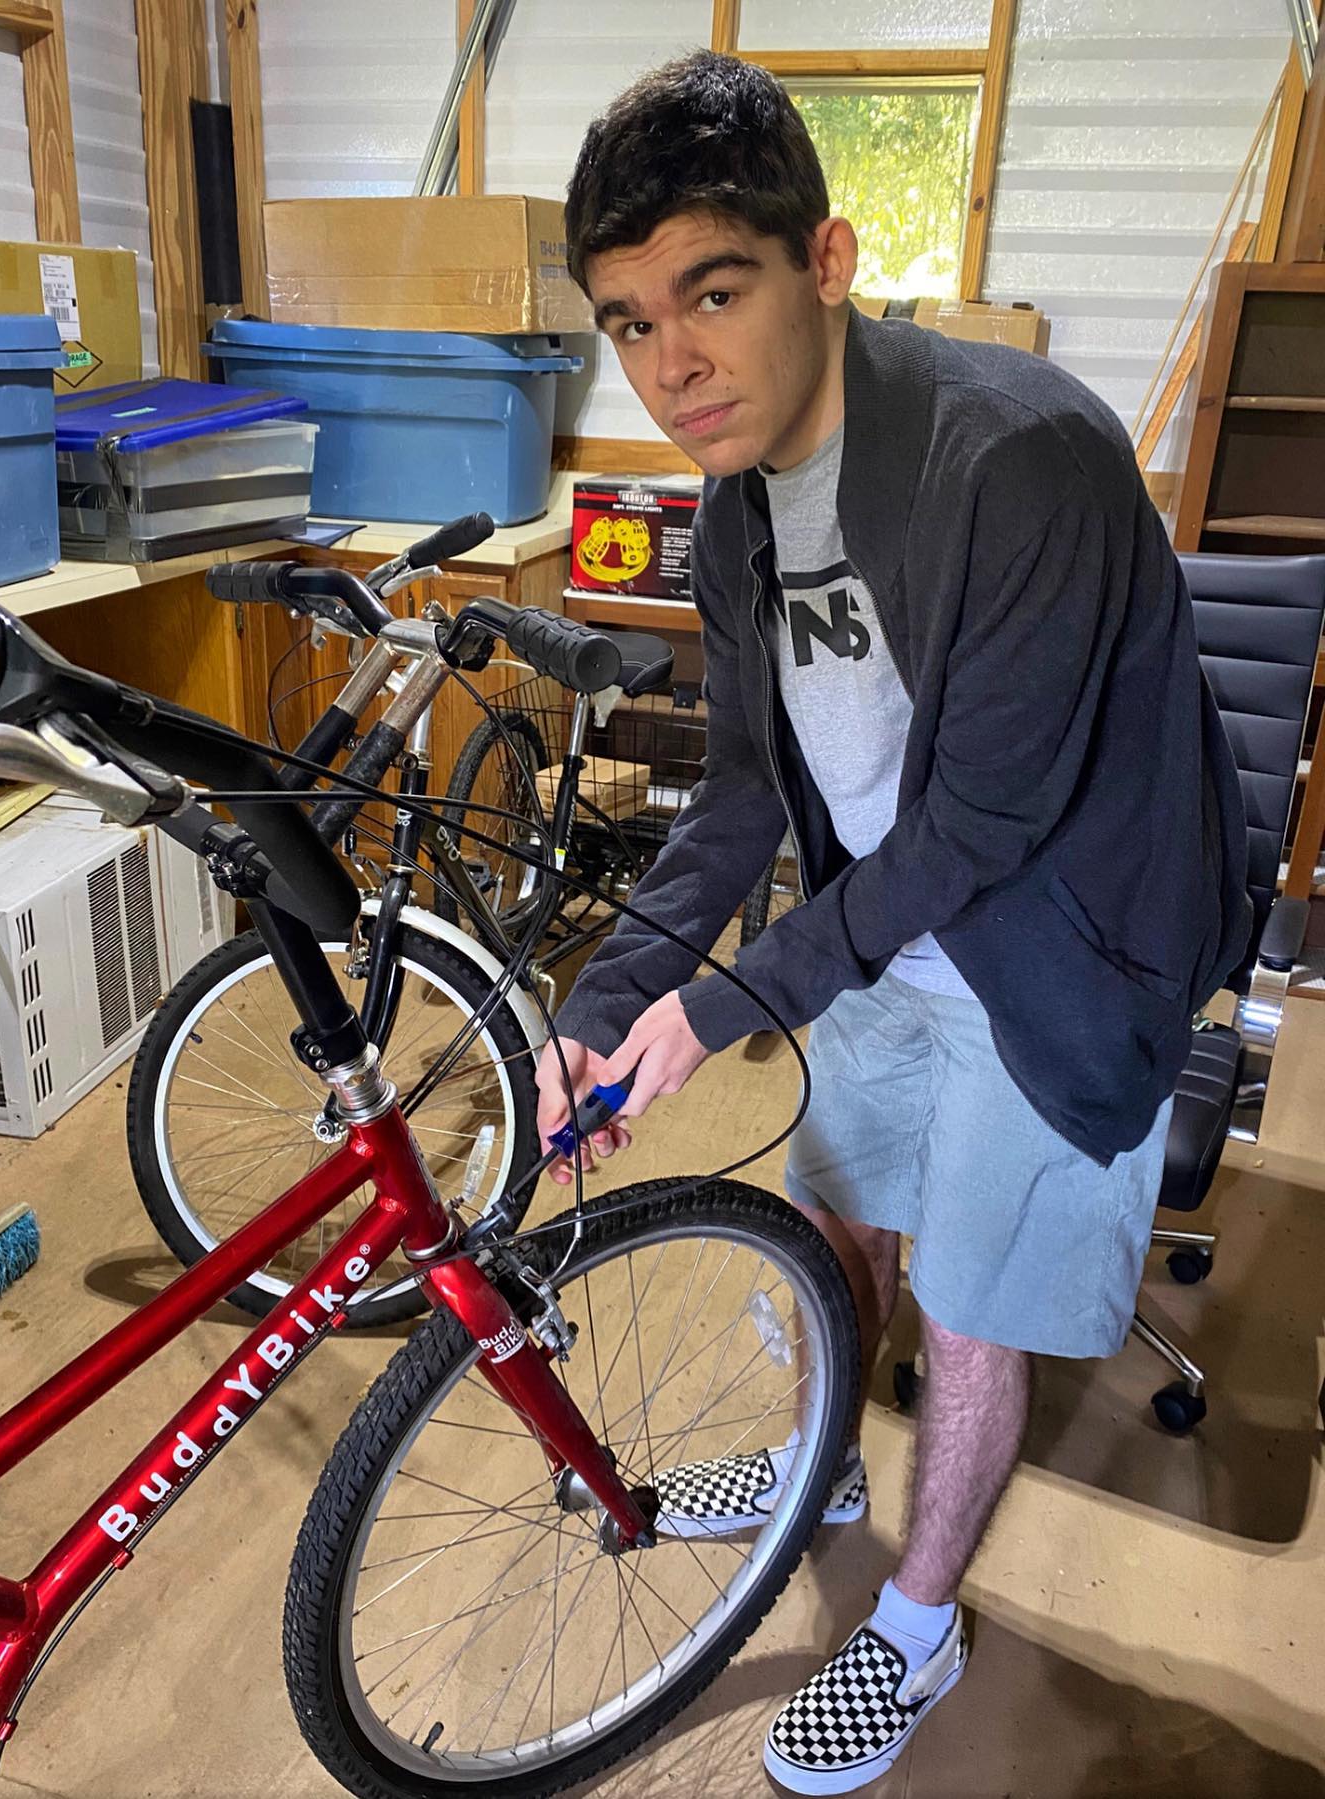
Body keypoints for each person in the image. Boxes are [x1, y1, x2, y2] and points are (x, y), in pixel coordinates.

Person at [538, 47, 1252, 1796]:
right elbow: (746, 797)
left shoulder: (1022, 459)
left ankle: (924, 1624)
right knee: (839, 1227)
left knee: (972, 1309)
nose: (671, 363)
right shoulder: (731, 514)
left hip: (1065, 948)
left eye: (713, 291)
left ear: (829, 261)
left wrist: (717, 1015)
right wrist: (612, 990)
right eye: (628, 321)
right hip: (881, 924)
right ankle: (821, 1471)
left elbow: (990, 824)